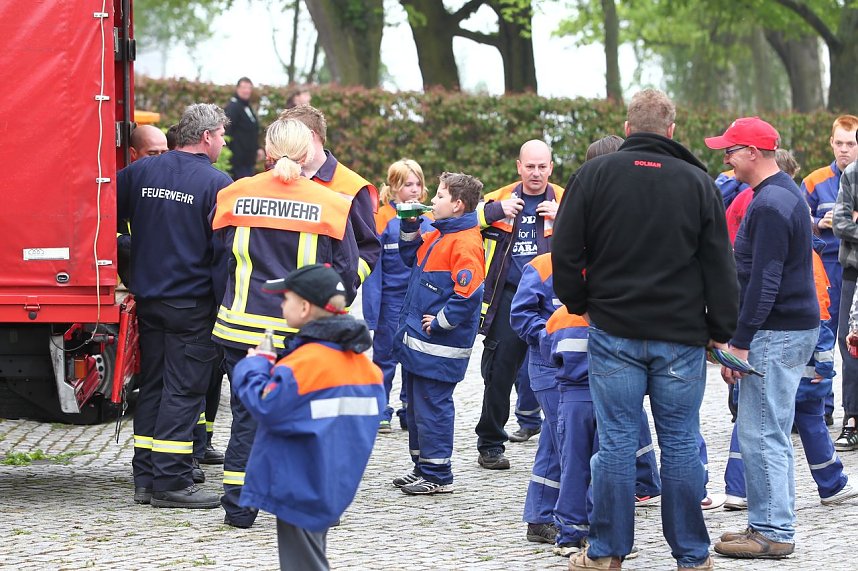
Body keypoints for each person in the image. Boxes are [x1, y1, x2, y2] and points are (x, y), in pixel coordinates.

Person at [553, 89, 738, 570]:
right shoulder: (698, 182)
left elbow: (565, 252)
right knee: (680, 443)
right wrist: (721, 330)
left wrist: (580, 304)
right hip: (680, 335)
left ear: (628, 129)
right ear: (671, 131)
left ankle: (607, 553)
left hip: (614, 329)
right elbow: (720, 264)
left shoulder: (593, 176)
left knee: (616, 442)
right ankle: (692, 556)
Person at [212, 117, 360, 528]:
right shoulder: (331, 204)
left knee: (247, 416)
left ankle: (239, 506)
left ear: (268, 150)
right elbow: (346, 274)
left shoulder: (234, 194)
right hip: (300, 334)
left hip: (239, 328)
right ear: (308, 151)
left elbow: (218, 255)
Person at [703, 116, 819, 559]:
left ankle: (772, 530)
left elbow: (765, 281)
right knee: (768, 430)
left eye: (730, 151)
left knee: (762, 432)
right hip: (786, 327)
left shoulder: (769, 203)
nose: (726, 159)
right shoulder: (781, 192)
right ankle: (767, 521)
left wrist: (739, 342)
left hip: (776, 331)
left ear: (753, 152)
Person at [231, 264, 384, 571]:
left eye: (286, 298)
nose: (281, 305)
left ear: (304, 308)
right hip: (332, 481)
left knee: (304, 564)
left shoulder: (304, 363)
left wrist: (255, 365)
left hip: (299, 482)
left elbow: (265, 405)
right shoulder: (367, 369)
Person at [117, 103, 233, 509]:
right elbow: (222, 254)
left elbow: (106, 217)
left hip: (149, 300)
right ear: (206, 136)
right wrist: (224, 306)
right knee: (183, 391)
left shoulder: (140, 172)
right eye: (221, 136)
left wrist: (132, 261)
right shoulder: (217, 183)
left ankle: (145, 478)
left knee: (154, 385)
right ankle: (172, 481)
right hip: (192, 305)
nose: (223, 144)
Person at [723, 234, 858, 510]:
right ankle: (832, 483)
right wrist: (824, 365)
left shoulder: (752, 252)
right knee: (811, 421)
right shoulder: (808, 259)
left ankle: (738, 489)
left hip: (760, 352)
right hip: (801, 365)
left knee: (749, 421)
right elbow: (820, 314)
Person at [390, 172, 485, 495]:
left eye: (440, 195)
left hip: (440, 348)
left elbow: (469, 294)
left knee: (433, 409)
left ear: (457, 205)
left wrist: (441, 322)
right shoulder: (439, 234)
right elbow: (408, 257)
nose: (432, 200)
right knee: (418, 409)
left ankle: (438, 474)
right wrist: (409, 225)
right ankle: (422, 467)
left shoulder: (465, 242)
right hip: (421, 346)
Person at [474, 140, 563, 470]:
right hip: (509, 298)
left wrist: (564, 217)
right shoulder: (498, 198)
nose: (536, 173)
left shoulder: (566, 199)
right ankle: (490, 444)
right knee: (498, 372)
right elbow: (460, 221)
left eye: (542, 167)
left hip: (555, 300)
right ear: (519, 167)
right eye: (530, 166)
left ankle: (563, 440)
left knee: (562, 370)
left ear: (551, 167)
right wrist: (495, 212)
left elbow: (599, 231)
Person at [362, 159, 434, 432]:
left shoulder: (430, 219)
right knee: (385, 356)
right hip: (391, 302)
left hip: (420, 301)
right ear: (394, 187)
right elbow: (373, 271)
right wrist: (372, 313)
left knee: (415, 356)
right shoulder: (381, 219)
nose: (414, 189)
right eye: (407, 184)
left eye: (418, 184)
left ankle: (409, 408)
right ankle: (381, 410)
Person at [279, 105, 381, 291]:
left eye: (290, 137)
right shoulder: (280, 178)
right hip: (280, 292)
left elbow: (368, 249)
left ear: (310, 136)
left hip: (327, 298)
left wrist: (343, 285)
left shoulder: (352, 186)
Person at [803, 115, 858, 425]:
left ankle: (852, 411)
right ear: (831, 143)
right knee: (820, 336)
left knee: (850, 341)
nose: (844, 149)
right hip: (824, 269)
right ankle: (821, 407)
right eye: (839, 143)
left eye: (850, 143)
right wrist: (816, 223)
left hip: (850, 266)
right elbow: (797, 219)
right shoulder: (814, 181)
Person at [833, 131, 858, 452]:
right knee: (851, 343)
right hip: (854, 271)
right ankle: (852, 418)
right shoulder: (853, 174)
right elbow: (841, 223)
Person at [224, 77, 262, 180]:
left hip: (248, 160)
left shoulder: (246, 106)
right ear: (237, 89)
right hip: (237, 162)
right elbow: (227, 131)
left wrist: (257, 148)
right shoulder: (233, 107)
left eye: (249, 88)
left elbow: (251, 130)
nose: (247, 91)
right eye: (244, 87)